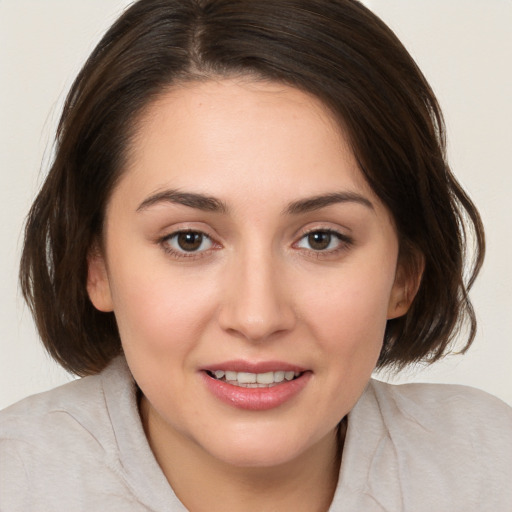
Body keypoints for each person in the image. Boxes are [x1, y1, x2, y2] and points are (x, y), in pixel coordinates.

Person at [0, 0, 511, 510]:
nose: (257, 317)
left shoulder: (490, 469)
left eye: (321, 239)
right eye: (189, 240)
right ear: (97, 266)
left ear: (405, 274)